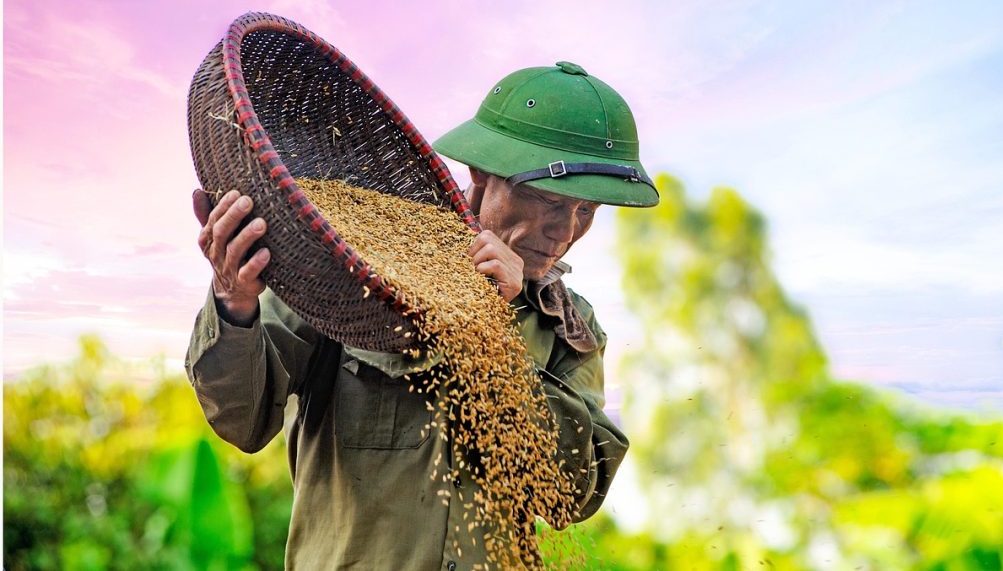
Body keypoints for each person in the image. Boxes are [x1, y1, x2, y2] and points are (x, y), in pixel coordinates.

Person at [186, 61, 659, 569]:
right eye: (548, 201)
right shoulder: (353, 267)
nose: (565, 231)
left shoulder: (570, 326)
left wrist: (487, 327)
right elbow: (243, 421)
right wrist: (234, 302)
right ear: (482, 174)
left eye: (587, 211)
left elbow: (570, 494)